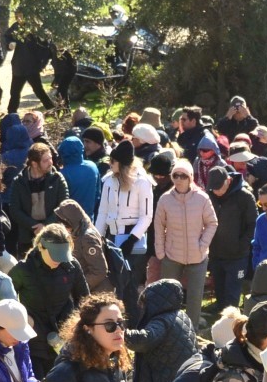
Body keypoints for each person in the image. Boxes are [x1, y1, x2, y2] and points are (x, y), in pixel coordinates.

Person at [11, 223, 90, 377]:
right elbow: (6, 300)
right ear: (41, 247)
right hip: (34, 341)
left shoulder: (72, 266)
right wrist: (23, 319)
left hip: (64, 339)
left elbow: (85, 301)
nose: (59, 260)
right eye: (55, 254)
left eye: (62, 254)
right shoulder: (23, 269)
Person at [155, 160, 219, 324]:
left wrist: (202, 245)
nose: (179, 179)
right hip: (172, 255)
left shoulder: (202, 198)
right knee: (167, 294)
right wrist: (160, 252)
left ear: (190, 177)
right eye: (175, 175)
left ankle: (192, 333)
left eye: (183, 175)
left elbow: (212, 222)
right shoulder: (165, 199)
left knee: (195, 297)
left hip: (198, 257)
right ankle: (167, 327)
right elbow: (158, 225)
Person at [123, 280, 197, 382]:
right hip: (179, 380)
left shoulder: (162, 321)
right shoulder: (182, 316)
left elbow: (146, 339)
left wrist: (120, 333)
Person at [97, 142, 154, 304]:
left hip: (132, 240)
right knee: (113, 282)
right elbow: (102, 212)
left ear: (121, 163)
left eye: (112, 161)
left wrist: (132, 239)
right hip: (111, 237)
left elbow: (146, 216)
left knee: (130, 284)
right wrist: (97, 238)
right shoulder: (108, 181)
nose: (109, 164)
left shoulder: (142, 182)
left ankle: (133, 319)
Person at [6, 143, 70, 256]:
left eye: (50, 158)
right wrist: (34, 225)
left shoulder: (57, 179)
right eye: (46, 160)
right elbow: (14, 210)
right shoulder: (19, 182)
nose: (50, 162)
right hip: (27, 238)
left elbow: (64, 206)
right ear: (34, 164)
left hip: (53, 236)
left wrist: (45, 226)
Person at [207, 166, 256, 312]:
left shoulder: (245, 197)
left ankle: (231, 324)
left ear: (228, 180)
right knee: (220, 292)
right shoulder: (209, 196)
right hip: (215, 254)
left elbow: (253, 224)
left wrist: (242, 245)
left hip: (237, 256)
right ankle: (220, 321)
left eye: (219, 187)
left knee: (232, 294)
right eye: (214, 188)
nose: (217, 191)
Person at [5, 20, 56, 110]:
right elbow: (7, 36)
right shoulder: (17, 26)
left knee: (39, 91)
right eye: (18, 16)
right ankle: (11, 113)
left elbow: (46, 49)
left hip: (32, 67)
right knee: (14, 92)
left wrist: (42, 64)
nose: (19, 18)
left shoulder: (37, 28)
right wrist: (9, 44)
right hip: (19, 66)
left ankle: (51, 109)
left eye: (21, 16)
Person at [58, 134, 100, 219]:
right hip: (89, 218)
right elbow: (97, 194)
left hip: (69, 221)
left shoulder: (63, 173)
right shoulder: (92, 166)